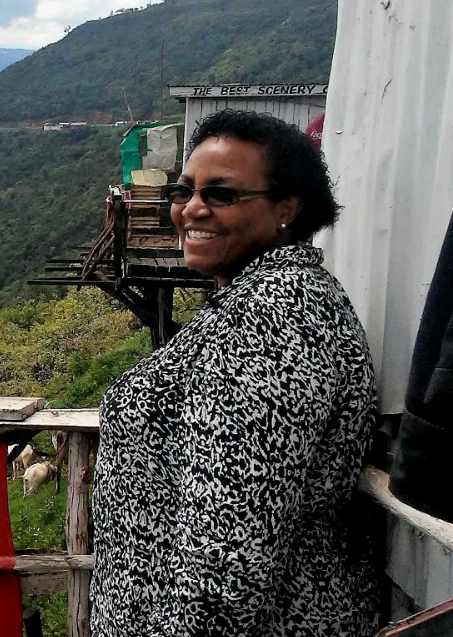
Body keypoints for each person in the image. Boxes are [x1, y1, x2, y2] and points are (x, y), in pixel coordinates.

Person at [91, 109, 380, 636]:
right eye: (184, 192)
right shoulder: (254, 304)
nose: (193, 209)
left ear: (286, 209)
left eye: (222, 194)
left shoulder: (276, 316)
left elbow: (226, 562)